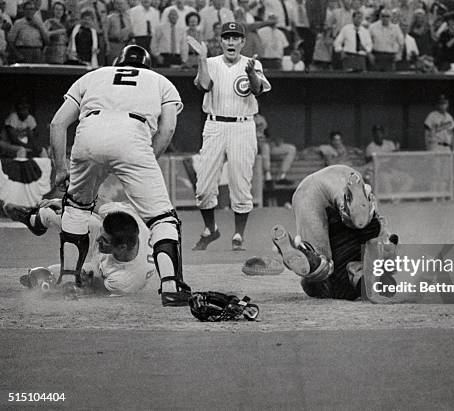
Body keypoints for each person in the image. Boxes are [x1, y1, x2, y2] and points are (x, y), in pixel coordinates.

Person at [48, 45, 190, 307]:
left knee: (77, 210)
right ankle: (171, 286)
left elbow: (57, 124)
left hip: (88, 132)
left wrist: (59, 168)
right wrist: (146, 161)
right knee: (162, 218)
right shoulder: (161, 81)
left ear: (117, 62)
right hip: (133, 134)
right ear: (147, 66)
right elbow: (167, 129)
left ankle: (68, 281)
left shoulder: (93, 75)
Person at [188, 22, 271, 251]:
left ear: (243, 42)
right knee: (204, 186)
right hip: (214, 124)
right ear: (221, 41)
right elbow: (203, 86)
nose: (231, 42)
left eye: (236, 38)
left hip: (242, 126)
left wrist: (251, 73)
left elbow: (257, 90)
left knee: (240, 183)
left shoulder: (252, 63)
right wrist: (202, 58)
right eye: (227, 38)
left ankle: (238, 235)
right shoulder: (211, 63)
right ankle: (211, 229)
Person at [270, 165, 394, 300]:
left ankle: (346, 207)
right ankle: (311, 257)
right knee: (324, 275)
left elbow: (381, 232)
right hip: (344, 233)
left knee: (363, 227)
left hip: (338, 176)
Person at [3, 199, 155, 296]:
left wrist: (75, 285)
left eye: (105, 240)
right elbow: (97, 202)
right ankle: (35, 220)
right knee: (70, 217)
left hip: (105, 271)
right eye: (102, 235)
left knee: (51, 276)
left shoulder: (124, 280)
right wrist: (67, 203)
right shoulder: (124, 216)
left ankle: (51, 275)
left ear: (122, 247)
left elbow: (97, 291)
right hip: (112, 254)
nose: (98, 240)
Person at [255, 113, 296, 185]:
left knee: (291, 149)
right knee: (265, 146)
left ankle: (281, 177)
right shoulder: (244, 118)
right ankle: (268, 178)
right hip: (255, 149)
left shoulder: (261, 117)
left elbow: (266, 135)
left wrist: (273, 141)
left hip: (266, 145)